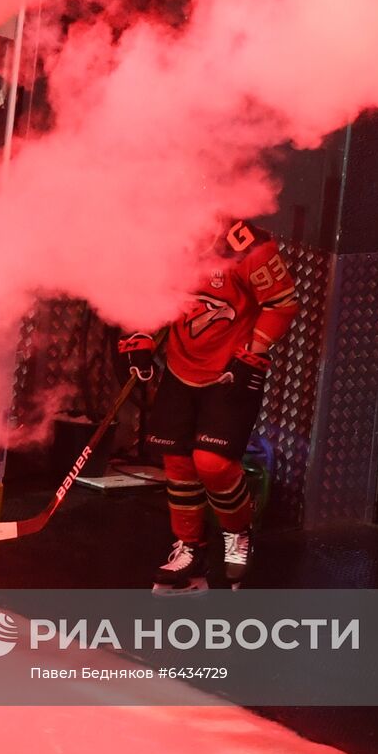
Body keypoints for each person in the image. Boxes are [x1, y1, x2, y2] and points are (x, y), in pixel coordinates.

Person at [120, 218, 299, 593]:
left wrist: (255, 351)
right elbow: (154, 299)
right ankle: (189, 547)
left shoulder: (248, 245)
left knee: (213, 463)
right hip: (180, 370)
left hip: (232, 371)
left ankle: (238, 535)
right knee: (179, 463)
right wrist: (141, 337)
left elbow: (281, 303)